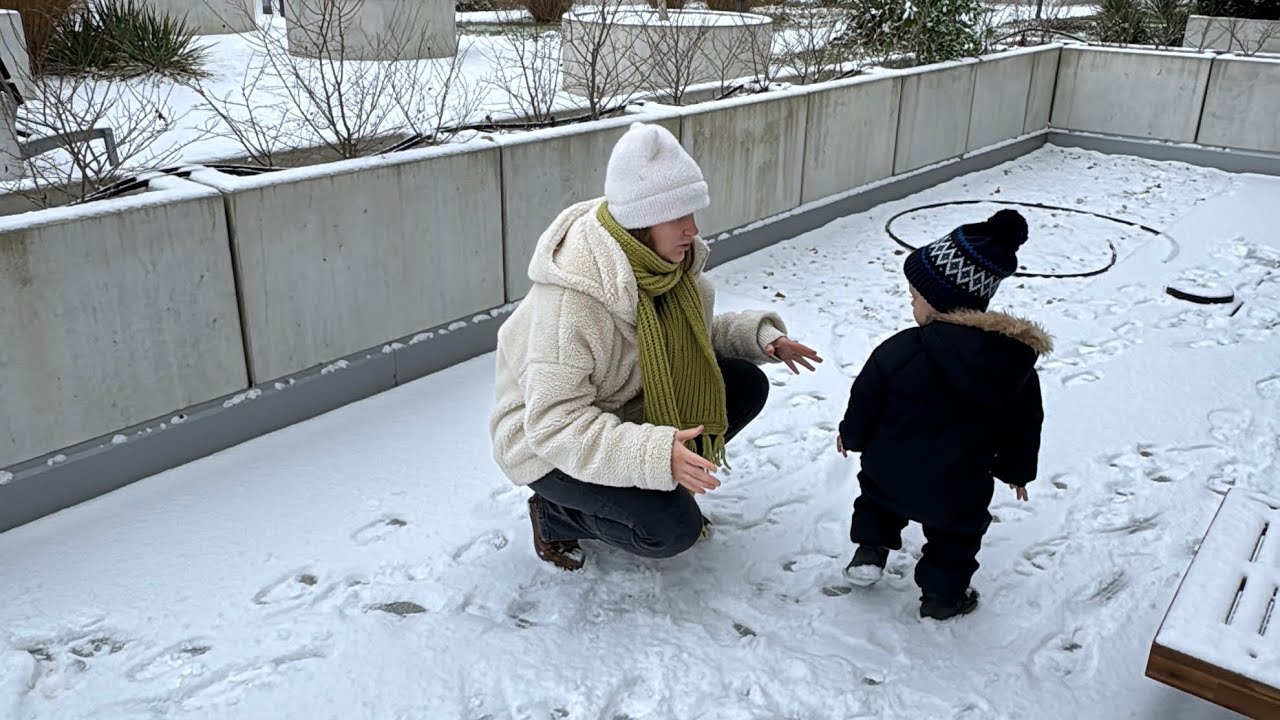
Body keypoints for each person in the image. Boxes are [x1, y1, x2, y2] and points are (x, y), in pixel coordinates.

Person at [490, 122, 822, 571]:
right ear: (641, 222)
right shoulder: (573, 304)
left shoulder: (669, 270)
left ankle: (654, 481)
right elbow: (552, 424)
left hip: (625, 409)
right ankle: (554, 514)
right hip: (544, 444)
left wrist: (764, 338)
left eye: (693, 213)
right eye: (677, 217)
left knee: (745, 383)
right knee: (669, 530)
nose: (693, 230)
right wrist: (653, 454)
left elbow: (695, 340)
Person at [835, 209, 1051, 620]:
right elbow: (1024, 424)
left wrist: (853, 435)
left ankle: (870, 550)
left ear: (939, 303)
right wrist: (1017, 471)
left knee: (877, 502)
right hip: (959, 485)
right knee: (956, 536)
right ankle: (942, 596)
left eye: (915, 296)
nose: (911, 302)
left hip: (890, 471)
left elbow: (864, 397)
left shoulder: (899, 350)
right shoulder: (1012, 367)